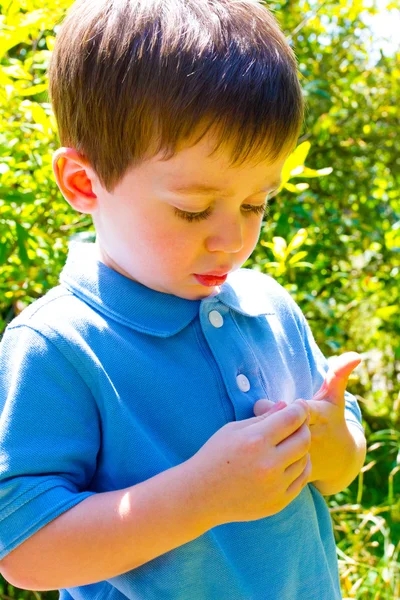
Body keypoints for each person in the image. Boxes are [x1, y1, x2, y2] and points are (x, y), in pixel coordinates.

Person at [0, 0, 367, 598]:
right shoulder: (58, 345)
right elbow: (25, 552)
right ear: (83, 183)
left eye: (256, 203)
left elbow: (340, 467)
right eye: (193, 209)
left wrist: (329, 443)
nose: (236, 239)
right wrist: (203, 495)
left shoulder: (269, 308)